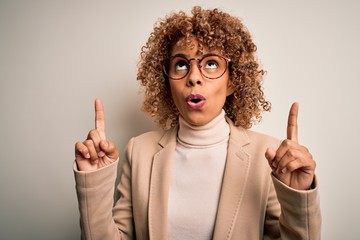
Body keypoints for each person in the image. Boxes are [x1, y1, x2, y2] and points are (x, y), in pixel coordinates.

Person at [74, 6, 321, 240]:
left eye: (211, 63)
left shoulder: (269, 158)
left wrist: (298, 198)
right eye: (181, 64)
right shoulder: (139, 151)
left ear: (233, 81)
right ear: (167, 84)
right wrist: (93, 185)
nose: (193, 77)